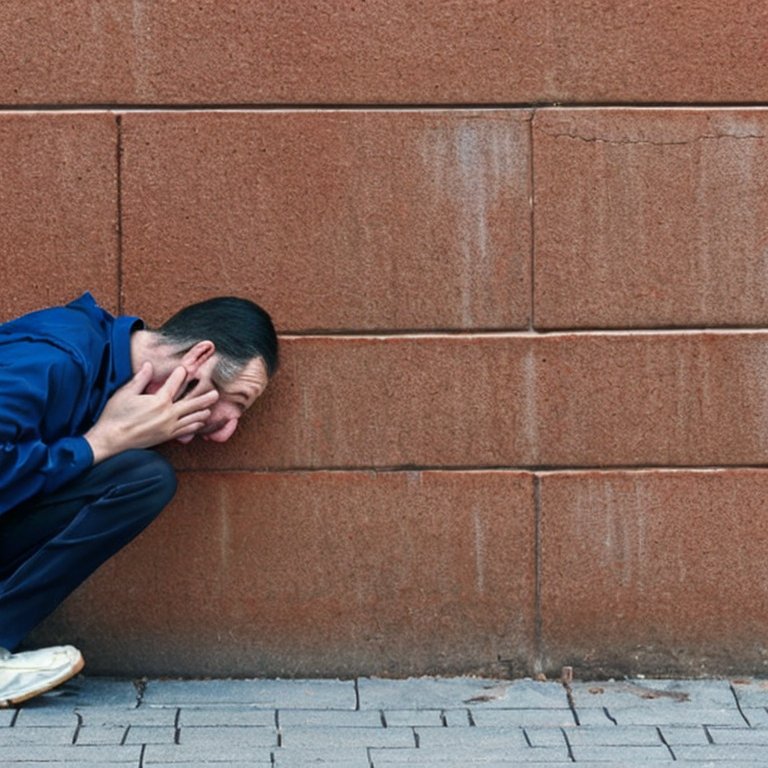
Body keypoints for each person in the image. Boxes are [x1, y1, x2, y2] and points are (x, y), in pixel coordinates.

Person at [0, 292, 278, 707]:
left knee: (142, 478)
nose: (224, 433)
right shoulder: (57, 355)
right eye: (235, 402)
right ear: (200, 359)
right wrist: (98, 442)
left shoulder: (106, 381)